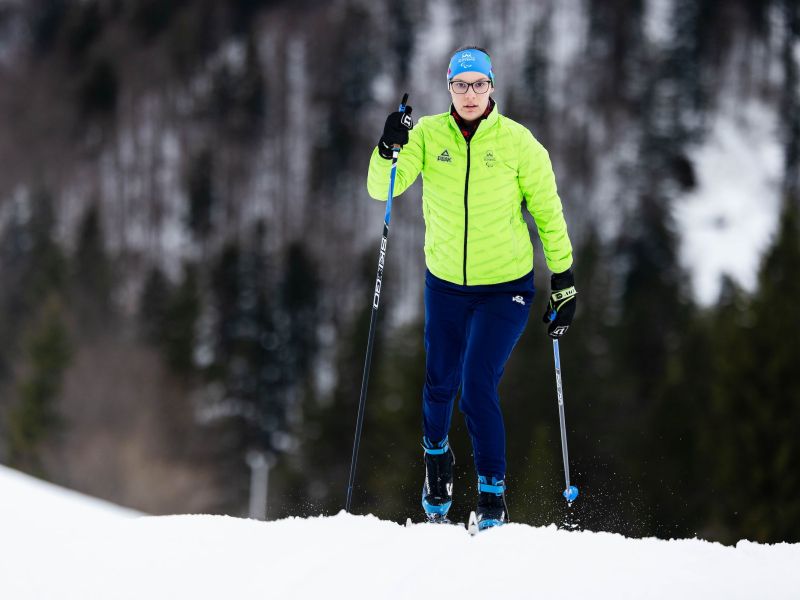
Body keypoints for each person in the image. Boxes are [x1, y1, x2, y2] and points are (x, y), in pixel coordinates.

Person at [366, 46, 577, 530]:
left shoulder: (520, 144)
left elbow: (548, 213)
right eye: (460, 85)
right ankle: (437, 463)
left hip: (506, 287)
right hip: (445, 284)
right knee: (440, 383)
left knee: (477, 385)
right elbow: (384, 189)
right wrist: (386, 148)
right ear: (448, 89)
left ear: (492, 87)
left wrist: (562, 277)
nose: (470, 94)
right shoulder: (426, 136)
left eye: (479, 84)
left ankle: (490, 495)